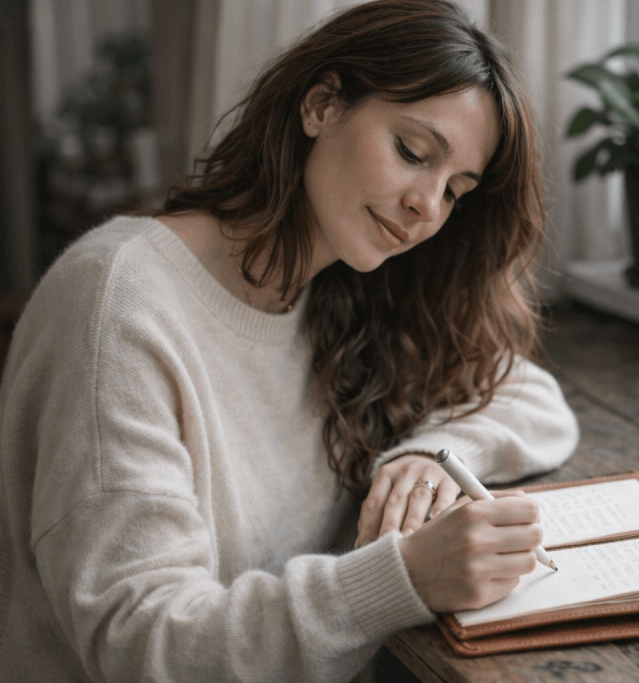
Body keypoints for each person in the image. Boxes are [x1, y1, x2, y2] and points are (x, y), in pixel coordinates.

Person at [0, 0, 579, 680]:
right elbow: (144, 642)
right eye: (412, 152)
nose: (427, 205)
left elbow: (533, 399)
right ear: (322, 104)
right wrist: (405, 579)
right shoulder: (114, 301)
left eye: (456, 189)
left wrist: (433, 452)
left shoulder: (342, 291)